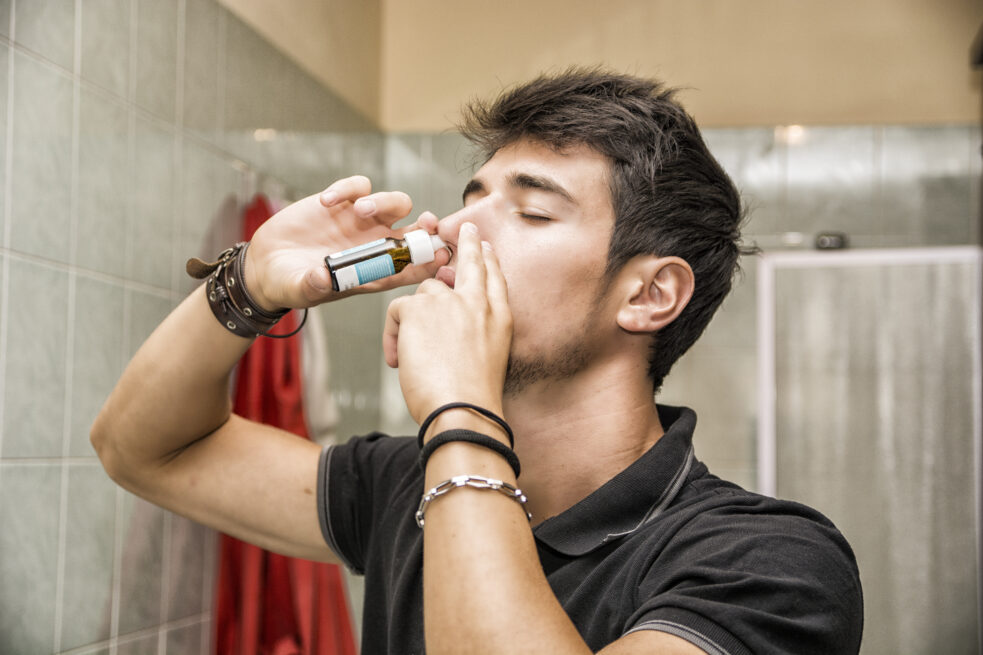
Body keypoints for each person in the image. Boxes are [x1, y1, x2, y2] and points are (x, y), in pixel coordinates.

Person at [92, 69, 863, 654]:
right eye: (470, 197)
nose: (456, 228)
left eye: (530, 210)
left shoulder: (771, 565)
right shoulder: (405, 483)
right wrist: (251, 287)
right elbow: (143, 447)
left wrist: (457, 407)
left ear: (650, 294)